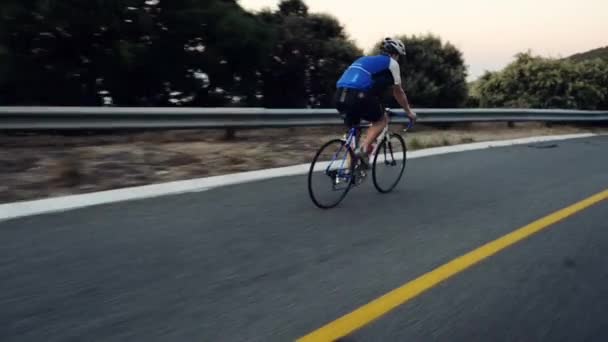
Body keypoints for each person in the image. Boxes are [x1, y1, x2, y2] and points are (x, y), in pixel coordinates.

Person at [334, 37, 417, 165]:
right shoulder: (392, 63)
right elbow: (398, 92)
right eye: (399, 56)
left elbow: (370, 84)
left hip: (339, 94)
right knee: (381, 120)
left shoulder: (363, 59)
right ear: (395, 54)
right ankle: (363, 148)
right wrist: (409, 112)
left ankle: (348, 168)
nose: (399, 59)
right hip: (359, 94)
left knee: (355, 129)